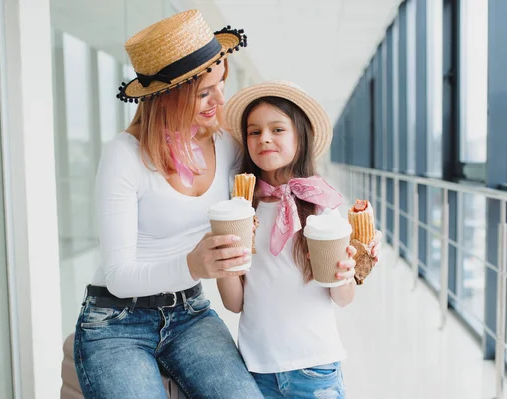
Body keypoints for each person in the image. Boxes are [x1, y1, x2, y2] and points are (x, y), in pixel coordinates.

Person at [73, 9, 263, 399]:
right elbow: (121, 275)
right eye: (205, 92)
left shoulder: (226, 144)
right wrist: (193, 264)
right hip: (115, 321)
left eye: (221, 84)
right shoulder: (124, 155)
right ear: (169, 95)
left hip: (189, 312)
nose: (219, 100)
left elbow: (278, 175)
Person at [218, 81, 382, 398]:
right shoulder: (240, 210)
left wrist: (351, 268)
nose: (264, 137)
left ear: (300, 137)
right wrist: (224, 260)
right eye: (254, 131)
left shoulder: (320, 205)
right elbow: (234, 303)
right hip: (255, 367)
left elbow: (343, 298)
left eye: (277, 129)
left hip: (314, 368)